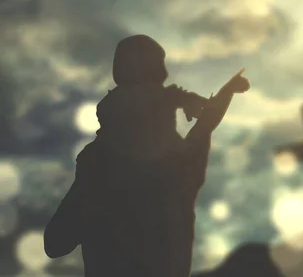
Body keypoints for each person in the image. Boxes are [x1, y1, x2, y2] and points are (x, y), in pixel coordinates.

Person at [43, 34, 250, 277]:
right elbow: (204, 125)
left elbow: (56, 241)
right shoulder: (171, 168)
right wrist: (225, 94)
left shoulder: (101, 166)